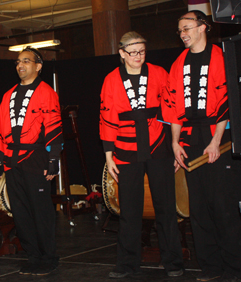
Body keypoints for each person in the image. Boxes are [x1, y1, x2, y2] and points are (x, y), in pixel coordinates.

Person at [163, 10, 241, 282]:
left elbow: (227, 101)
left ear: (203, 27)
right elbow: (172, 107)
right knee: (198, 209)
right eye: (180, 30)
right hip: (191, 140)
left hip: (218, 137)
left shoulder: (221, 56)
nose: (182, 33)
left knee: (224, 207)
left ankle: (234, 268)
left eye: (187, 27)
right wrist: (174, 143)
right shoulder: (178, 64)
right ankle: (210, 267)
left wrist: (216, 142)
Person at [99, 31, 184, 279]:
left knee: (166, 208)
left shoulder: (159, 73)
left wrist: (176, 145)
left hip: (159, 147)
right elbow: (106, 119)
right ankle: (127, 264)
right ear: (122, 53)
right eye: (133, 51)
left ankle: (173, 262)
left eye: (142, 51)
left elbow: (172, 110)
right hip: (126, 149)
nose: (138, 56)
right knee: (129, 211)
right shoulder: (111, 79)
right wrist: (108, 155)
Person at [0, 47, 63, 276]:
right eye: (18, 62)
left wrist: (53, 160)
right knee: (20, 211)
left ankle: (48, 257)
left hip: (36, 157)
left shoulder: (46, 92)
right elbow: (2, 128)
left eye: (26, 61)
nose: (20, 65)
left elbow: (53, 126)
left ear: (38, 66)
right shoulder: (8, 95)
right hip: (12, 160)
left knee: (40, 210)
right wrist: (2, 160)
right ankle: (33, 256)